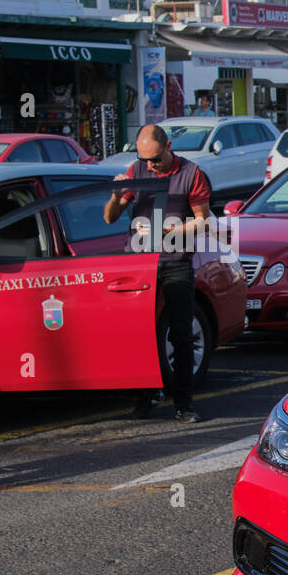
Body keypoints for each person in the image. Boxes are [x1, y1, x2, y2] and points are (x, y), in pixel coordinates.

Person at [103, 124, 213, 424]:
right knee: (138, 332)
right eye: (145, 159)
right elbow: (111, 217)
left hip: (175, 260)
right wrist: (115, 196)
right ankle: (147, 395)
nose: (150, 165)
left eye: (155, 159)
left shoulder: (191, 173)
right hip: (139, 262)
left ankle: (183, 404)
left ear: (168, 147)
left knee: (181, 333)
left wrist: (172, 231)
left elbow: (203, 221)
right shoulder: (135, 170)